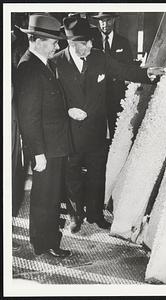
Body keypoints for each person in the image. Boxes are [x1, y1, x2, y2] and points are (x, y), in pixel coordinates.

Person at [52, 16, 164, 233]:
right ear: (72, 44)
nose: (91, 46)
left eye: (91, 42)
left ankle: (95, 214)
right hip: (70, 132)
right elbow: (52, 99)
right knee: (72, 174)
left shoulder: (99, 58)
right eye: (86, 44)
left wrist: (148, 73)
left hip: (95, 131)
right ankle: (76, 216)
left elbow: (124, 71)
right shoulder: (56, 62)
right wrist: (67, 110)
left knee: (97, 173)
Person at [15, 14, 71, 258]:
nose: (56, 46)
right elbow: (29, 117)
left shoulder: (43, 63)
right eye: (52, 42)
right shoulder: (29, 68)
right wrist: (38, 153)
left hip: (54, 145)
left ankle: (49, 241)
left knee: (51, 195)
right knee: (43, 197)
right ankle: (43, 244)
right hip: (45, 148)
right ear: (36, 40)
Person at [92, 12, 134, 142]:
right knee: (96, 129)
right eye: (101, 21)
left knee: (115, 128)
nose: (104, 24)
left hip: (116, 94)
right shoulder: (93, 43)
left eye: (108, 20)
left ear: (114, 20)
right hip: (97, 94)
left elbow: (129, 68)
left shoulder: (123, 42)